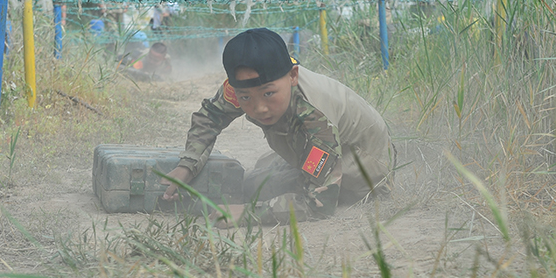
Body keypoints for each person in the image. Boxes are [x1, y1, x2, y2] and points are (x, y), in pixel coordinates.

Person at [161, 28, 394, 226]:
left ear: (293, 76)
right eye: (246, 98)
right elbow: (210, 117)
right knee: (252, 180)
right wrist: (188, 165)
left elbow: (319, 205)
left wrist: (247, 213)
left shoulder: (316, 118)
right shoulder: (247, 88)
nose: (259, 108)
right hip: (310, 148)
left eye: (268, 94)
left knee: (260, 188)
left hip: (364, 170)